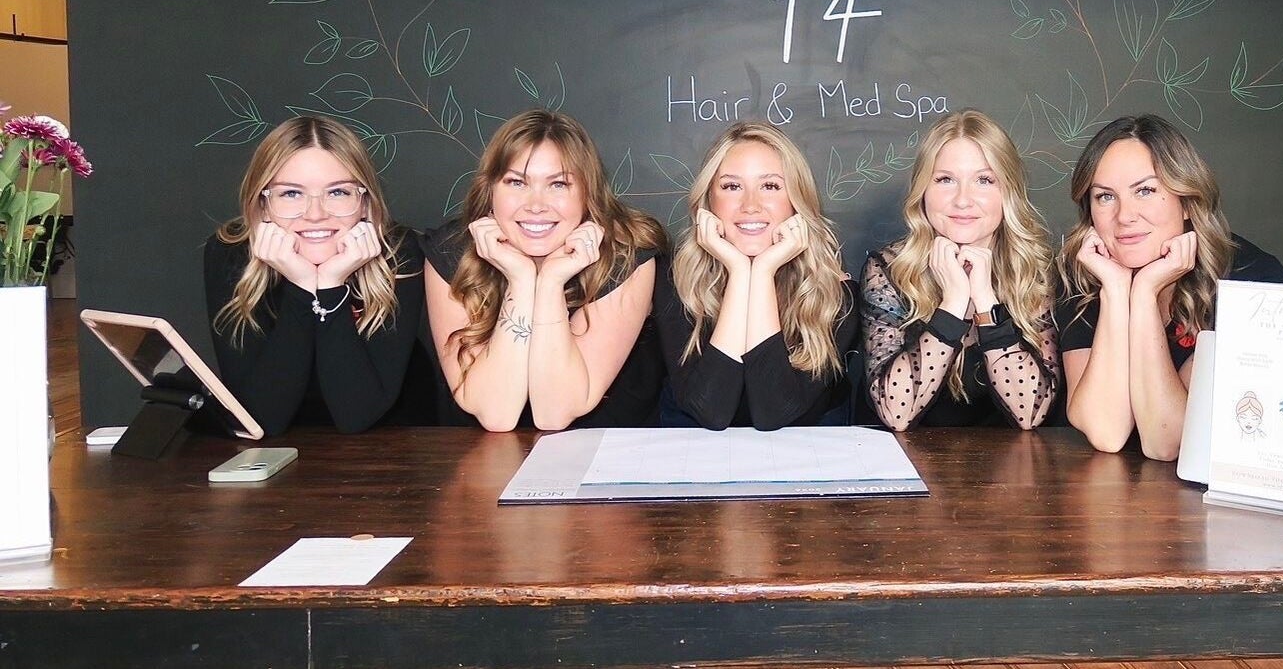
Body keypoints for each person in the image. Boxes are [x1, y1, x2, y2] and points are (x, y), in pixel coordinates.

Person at [1056, 114, 1283, 460]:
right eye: (1105, 196)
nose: (1124, 216)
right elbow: (1107, 432)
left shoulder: (1251, 280)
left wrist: (1145, 293)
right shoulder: (1084, 273)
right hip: (1102, 489)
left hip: (1203, 490)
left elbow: (1167, 441)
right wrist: (1117, 292)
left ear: (1187, 202)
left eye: (1145, 191)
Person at [423, 109, 666, 431]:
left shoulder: (626, 254)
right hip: (480, 455)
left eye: (558, 184)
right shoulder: (452, 251)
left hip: (605, 451)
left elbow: (555, 413)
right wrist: (522, 280)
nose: (536, 205)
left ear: (587, 194)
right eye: (516, 182)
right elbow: (495, 414)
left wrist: (550, 282)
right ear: (490, 190)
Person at [205, 116, 427, 435]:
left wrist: (331, 287)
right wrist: (303, 286)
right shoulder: (231, 253)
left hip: (385, 450)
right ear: (264, 205)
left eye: (337, 192)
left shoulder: (398, 253)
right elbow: (261, 417)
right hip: (272, 454)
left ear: (364, 202)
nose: (315, 214)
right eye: (291, 194)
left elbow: (357, 414)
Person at [861, 109, 1062, 431]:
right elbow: (896, 412)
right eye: (945, 180)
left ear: (1007, 190)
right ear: (923, 190)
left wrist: (985, 301)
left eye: (984, 180)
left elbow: (1031, 412)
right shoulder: (890, 270)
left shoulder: (1034, 271)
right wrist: (953, 303)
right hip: (910, 460)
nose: (963, 200)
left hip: (1010, 462)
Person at [655, 122, 857, 430]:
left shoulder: (834, 297)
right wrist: (739, 271)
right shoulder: (677, 283)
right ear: (709, 202)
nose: (751, 205)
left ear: (796, 201)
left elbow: (773, 413)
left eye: (770, 186)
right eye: (732, 187)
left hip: (801, 458)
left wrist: (762, 272)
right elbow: (710, 412)